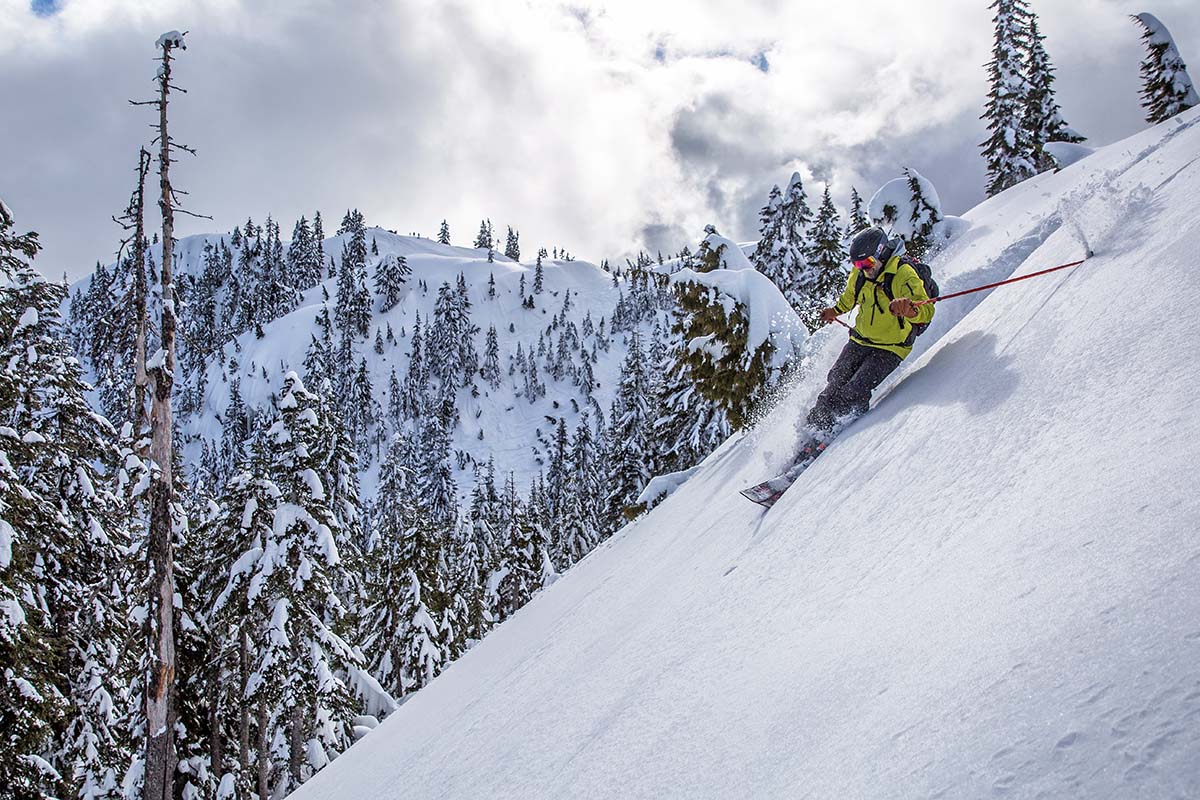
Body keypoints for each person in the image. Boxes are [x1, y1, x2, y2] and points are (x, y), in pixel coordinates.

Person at [805, 227, 935, 435]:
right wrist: (835, 311)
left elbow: (926, 310)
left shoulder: (903, 274)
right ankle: (811, 431)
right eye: (857, 264)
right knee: (836, 380)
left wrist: (910, 311)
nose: (862, 268)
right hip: (860, 340)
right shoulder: (859, 274)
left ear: (882, 253)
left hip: (891, 348)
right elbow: (850, 297)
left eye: (867, 263)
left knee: (854, 389)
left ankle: (840, 429)